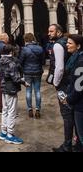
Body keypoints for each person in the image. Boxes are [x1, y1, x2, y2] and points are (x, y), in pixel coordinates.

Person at [47, 24, 74, 152]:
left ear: (58, 32)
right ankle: (77, 141)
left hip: (63, 83)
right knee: (73, 112)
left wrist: (56, 83)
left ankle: (67, 145)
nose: (49, 33)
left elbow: (59, 67)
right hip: (71, 82)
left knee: (66, 113)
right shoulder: (67, 42)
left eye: (51, 31)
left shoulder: (57, 45)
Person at [0, 44, 28, 145]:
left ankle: (3, 132)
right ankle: (10, 135)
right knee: (12, 112)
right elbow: (16, 78)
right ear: (11, 52)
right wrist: (24, 82)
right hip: (11, 89)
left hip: (3, 88)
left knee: (5, 110)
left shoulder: (1, 61)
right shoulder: (11, 63)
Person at [64, 34, 83, 152]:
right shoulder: (76, 58)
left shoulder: (80, 61)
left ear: (78, 46)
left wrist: (69, 98)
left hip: (80, 105)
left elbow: (79, 87)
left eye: (70, 43)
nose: (67, 45)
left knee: (81, 135)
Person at [19, 33, 44, 118]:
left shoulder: (24, 49)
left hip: (27, 73)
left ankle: (30, 109)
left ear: (25, 39)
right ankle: (37, 109)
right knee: (37, 91)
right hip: (38, 72)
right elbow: (43, 61)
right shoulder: (40, 48)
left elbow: (20, 62)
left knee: (28, 91)